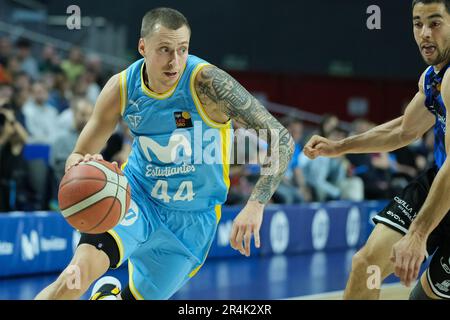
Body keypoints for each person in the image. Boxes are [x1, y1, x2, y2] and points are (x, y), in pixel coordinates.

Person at [35, 7, 294, 300]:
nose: (175, 61)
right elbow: (78, 153)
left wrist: (256, 204)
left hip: (192, 223)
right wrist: (82, 164)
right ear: (142, 47)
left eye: (182, 50)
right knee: (72, 280)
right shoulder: (121, 88)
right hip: (136, 199)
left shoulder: (208, 84)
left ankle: (107, 295)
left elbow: (280, 138)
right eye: (165, 50)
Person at [304, 0, 450, 300]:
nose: (424, 33)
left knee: (421, 298)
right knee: (365, 264)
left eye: (435, 23)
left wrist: (418, 234)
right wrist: (340, 146)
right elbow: (403, 130)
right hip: (439, 179)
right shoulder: (433, 78)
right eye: (417, 23)